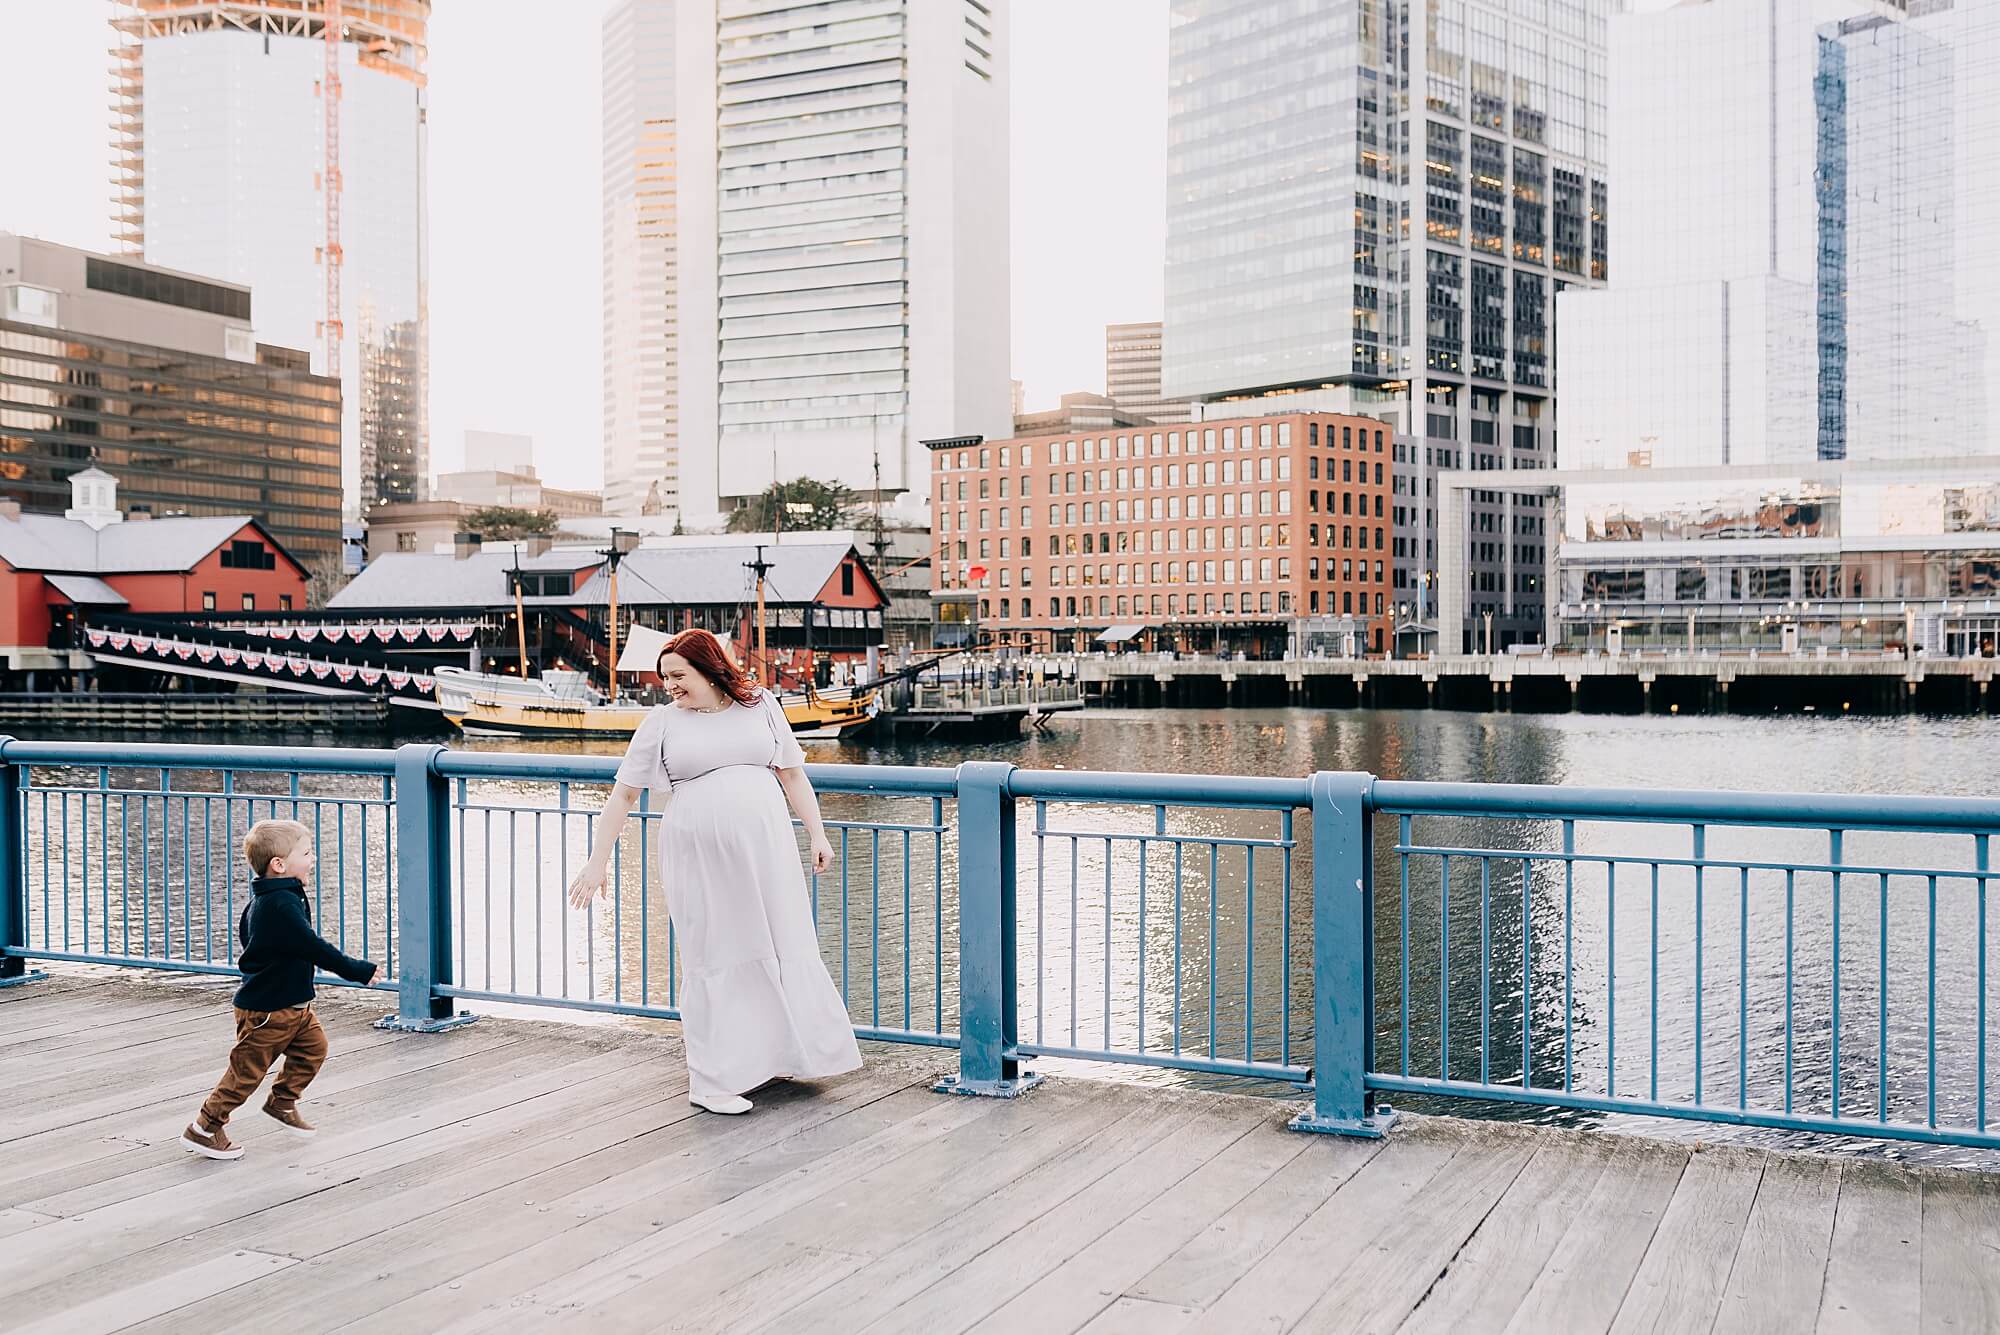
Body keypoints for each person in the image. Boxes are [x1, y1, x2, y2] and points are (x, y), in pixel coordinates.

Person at [568, 628, 861, 1115]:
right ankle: (710, 1081)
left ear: (708, 667)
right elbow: (623, 794)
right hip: (699, 857)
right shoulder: (662, 723)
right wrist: (597, 862)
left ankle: (779, 1057)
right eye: (664, 678)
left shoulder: (761, 705)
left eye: (678, 675)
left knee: (779, 943)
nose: (670, 685)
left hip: (767, 850)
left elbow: (791, 773)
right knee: (717, 953)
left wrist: (818, 833)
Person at [181, 819, 379, 1160]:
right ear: (279, 865)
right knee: (246, 1074)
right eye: (305, 853)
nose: (312, 858)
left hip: (294, 1006)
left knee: (313, 1049)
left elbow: (251, 939)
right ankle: (205, 1127)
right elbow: (313, 947)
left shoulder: (275, 897)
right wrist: (357, 970)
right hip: (268, 1010)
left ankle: (282, 1102)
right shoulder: (280, 905)